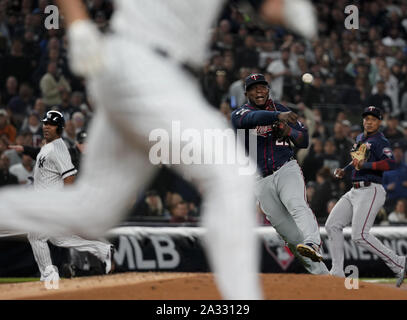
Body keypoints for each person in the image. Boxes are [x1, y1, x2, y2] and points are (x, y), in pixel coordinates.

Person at [0, 0, 318, 300]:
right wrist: (79, 25)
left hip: (144, 70)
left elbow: (268, 8)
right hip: (146, 65)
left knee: (93, 209)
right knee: (232, 174)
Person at [231, 73, 328, 275]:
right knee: (290, 236)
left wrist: (289, 132)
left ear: (268, 89)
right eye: (254, 88)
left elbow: (304, 140)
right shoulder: (240, 113)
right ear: (247, 93)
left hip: (286, 169)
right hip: (260, 181)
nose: (259, 91)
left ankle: (313, 242)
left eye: (262, 87)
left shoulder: (282, 110)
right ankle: (324, 277)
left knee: (296, 203)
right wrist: (277, 118)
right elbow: (251, 119)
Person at [25, 111, 115, 283]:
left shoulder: (58, 148)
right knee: (58, 239)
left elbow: (70, 177)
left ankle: (48, 276)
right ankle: (103, 250)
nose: (45, 126)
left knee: (35, 236)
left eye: (50, 124)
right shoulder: (48, 147)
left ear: (59, 128)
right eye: (45, 123)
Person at [325, 106, 407, 287]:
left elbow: (391, 163)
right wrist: (344, 170)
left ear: (379, 122)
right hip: (354, 190)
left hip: (371, 189)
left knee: (359, 235)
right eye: (366, 118)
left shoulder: (380, 140)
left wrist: (366, 166)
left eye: (373, 119)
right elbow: (356, 162)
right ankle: (337, 272)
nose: (369, 121)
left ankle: (399, 262)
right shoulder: (360, 138)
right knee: (332, 225)